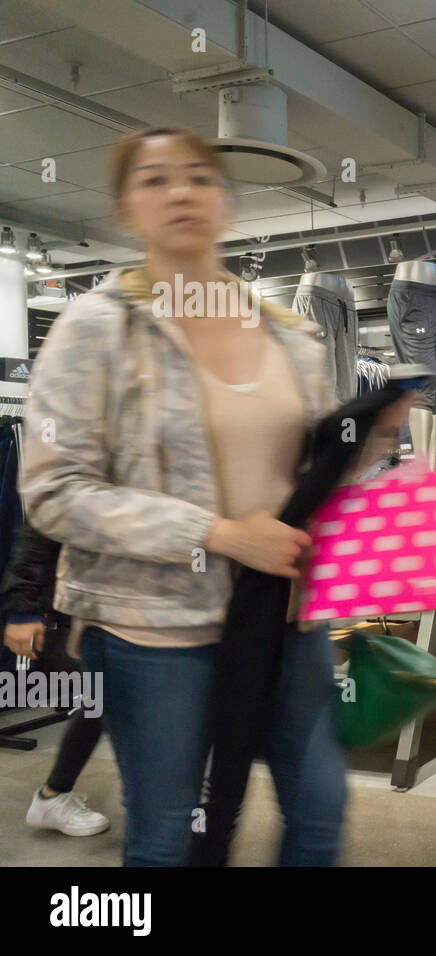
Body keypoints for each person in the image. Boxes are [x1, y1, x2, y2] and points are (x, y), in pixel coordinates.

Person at [20, 127, 397, 866]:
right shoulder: (95, 331)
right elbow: (53, 491)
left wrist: (368, 447)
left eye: (197, 176)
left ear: (225, 201)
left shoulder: (291, 336)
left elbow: (309, 479)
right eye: (155, 180)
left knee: (320, 811)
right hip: (153, 635)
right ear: (128, 208)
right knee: (169, 833)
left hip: (288, 621)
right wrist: (216, 533)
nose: (180, 192)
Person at [2, 523, 110, 836]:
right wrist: (23, 609)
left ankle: (54, 793)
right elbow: (41, 522)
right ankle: (53, 793)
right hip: (94, 598)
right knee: (102, 698)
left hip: (119, 596)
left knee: (105, 699)